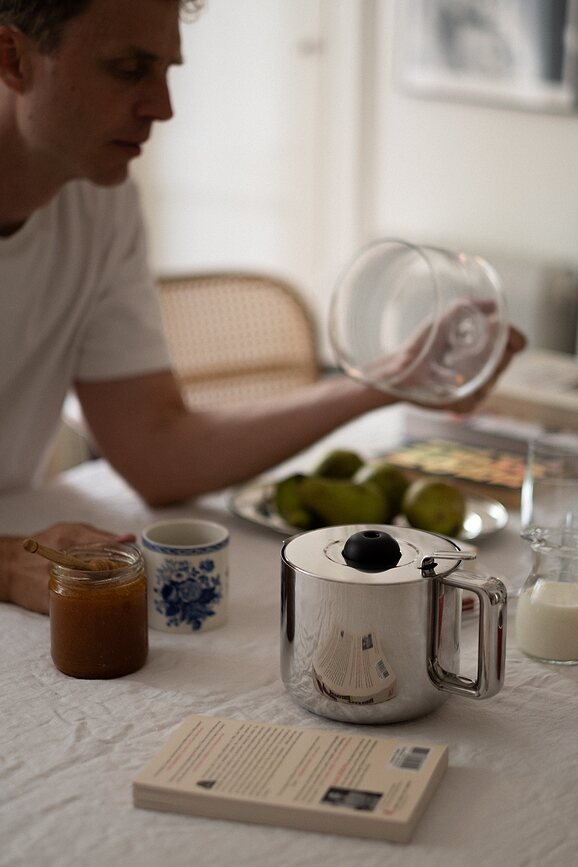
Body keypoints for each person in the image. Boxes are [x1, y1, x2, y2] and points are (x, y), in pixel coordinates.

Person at [0, 0, 526, 615]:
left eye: (167, 70)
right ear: (13, 58)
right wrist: (9, 562)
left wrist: (386, 381)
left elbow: (159, 451)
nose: (162, 107)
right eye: (127, 69)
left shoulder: (100, 203)